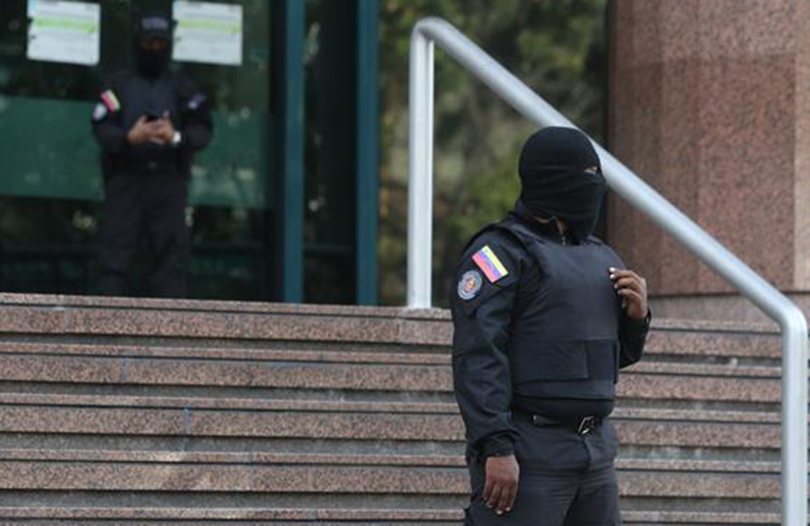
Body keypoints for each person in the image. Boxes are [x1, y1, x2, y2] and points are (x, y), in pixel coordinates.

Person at [450, 126, 651, 526]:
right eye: (586, 175)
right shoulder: (498, 254)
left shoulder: (602, 256)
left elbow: (611, 359)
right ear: (553, 180)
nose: (595, 185)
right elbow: (478, 358)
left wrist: (637, 318)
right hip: (530, 450)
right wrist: (496, 446)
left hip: (595, 453)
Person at [91, 12, 212, 297]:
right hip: (126, 179)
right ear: (138, 44)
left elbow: (203, 129)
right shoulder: (118, 85)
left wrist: (175, 137)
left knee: (171, 260)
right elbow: (101, 125)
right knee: (114, 258)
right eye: (149, 44)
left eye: (160, 44)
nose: (155, 50)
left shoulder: (182, 88)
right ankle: (106, 321)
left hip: (169, 182)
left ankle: (169, 324)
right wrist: (129, 138)